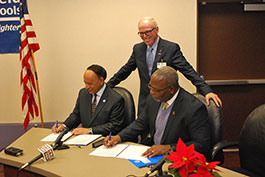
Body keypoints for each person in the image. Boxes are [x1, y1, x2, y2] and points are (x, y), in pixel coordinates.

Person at [107, 17, 222, 116]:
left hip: (166, 102)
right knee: (144, 138)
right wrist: (107, 86)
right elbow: (125, 70)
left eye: (147, 32)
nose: (144, 36)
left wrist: (207, 91)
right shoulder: (138, 49)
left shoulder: (170, 48)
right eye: (141, 33)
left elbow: (189, 71)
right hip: (145, 103)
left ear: (156, 30)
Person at [104, 66, 211, 158]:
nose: (151, 92)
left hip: (176, 159)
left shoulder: (194, 108)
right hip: (152, 154)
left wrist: (169, 148)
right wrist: (119, 137)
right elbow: (141, 122)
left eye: (156, 90)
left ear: (171, 89)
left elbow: (201, 144)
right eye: (150, 87)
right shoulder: (154, 98)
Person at [51, 64, 124, 136]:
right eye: (85, 83)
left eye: (90, 84)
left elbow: (114, 126)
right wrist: (64, 125)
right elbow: (76, 115)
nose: (86, 87)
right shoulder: (83, 93)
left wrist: (89, 130)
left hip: (103, 140)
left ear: (101, 81)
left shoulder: (115, 99)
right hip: (83, 139)